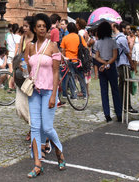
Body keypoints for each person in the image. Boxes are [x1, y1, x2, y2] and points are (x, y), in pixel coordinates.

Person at [24, 13, 65, 177]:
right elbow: (29, 68)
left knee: (47, 127)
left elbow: (56, 72)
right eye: (38, 26)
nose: (41, 28)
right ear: (34, 28)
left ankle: (59, 152)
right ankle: (37, 164)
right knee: (35, 126)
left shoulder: (53, 46)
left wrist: (54, 95)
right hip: (34, 92)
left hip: (49, 91)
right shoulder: (29, 46)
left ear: (47, 28)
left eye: (44, 26)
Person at [94, 20, 122, 123]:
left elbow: (96, 56)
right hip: (111, 66)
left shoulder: (97, 42)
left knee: (104, 91)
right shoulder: (112, 41)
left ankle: (107, 114)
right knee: (115, 90)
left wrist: (104, 63)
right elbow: (115, 56)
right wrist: (108, 63)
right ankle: (119, 114)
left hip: (102, 66)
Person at [59, 22, 88, 99]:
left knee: (71, 78)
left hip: (69, 60)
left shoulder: (65, 38)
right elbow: (85, 47)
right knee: (81, 77)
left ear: (68, 29)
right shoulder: (79, 37)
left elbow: (63, 51)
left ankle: (74, 95)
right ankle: (85, 94)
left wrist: (62, 60)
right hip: (78, 60)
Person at [113, 21, 136, 114]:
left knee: (122, 85)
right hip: (124, 64)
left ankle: (122, 105)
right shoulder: (122, 38)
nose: (129, 30)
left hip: (119, 64)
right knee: (126, 85)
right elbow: (127, 52)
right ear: (123, 29)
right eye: (127, 28)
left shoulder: (117, 38)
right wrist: (132, 64)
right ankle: (127, 106)